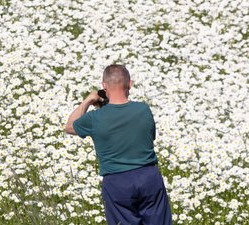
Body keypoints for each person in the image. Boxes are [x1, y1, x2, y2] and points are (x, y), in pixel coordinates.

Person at [65, 64, 172, 225]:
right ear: (130, 84)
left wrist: (88, 100)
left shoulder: (95, 118)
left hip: (117, 182)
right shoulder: (143, 110)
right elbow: (149, 138)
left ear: (104, 86)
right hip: (148, 177)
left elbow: (69, 126)